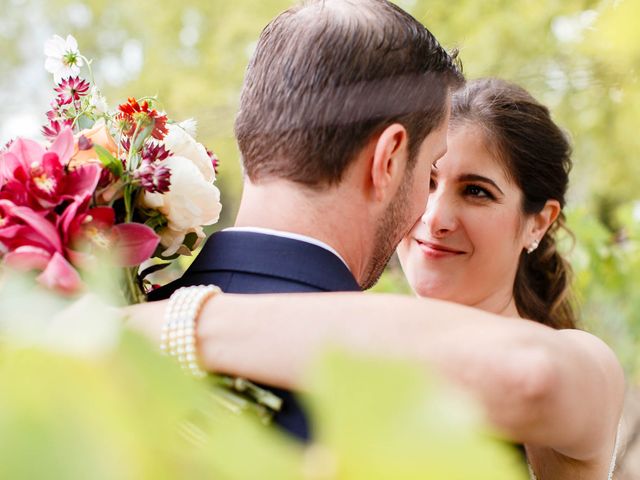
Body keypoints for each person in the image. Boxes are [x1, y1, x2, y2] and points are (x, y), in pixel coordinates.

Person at [130, 78, 626, 480]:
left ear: (538, 222)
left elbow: (527, 377)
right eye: (428, 180)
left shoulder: (586, 363)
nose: (436, 218)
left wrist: (157, 323)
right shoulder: (342, 326)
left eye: (476, 192)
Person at [147, 0, 463, 441]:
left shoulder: (104, 331)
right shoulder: (412, 404)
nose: (427, 211)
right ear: (388, 159)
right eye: (430, 172)